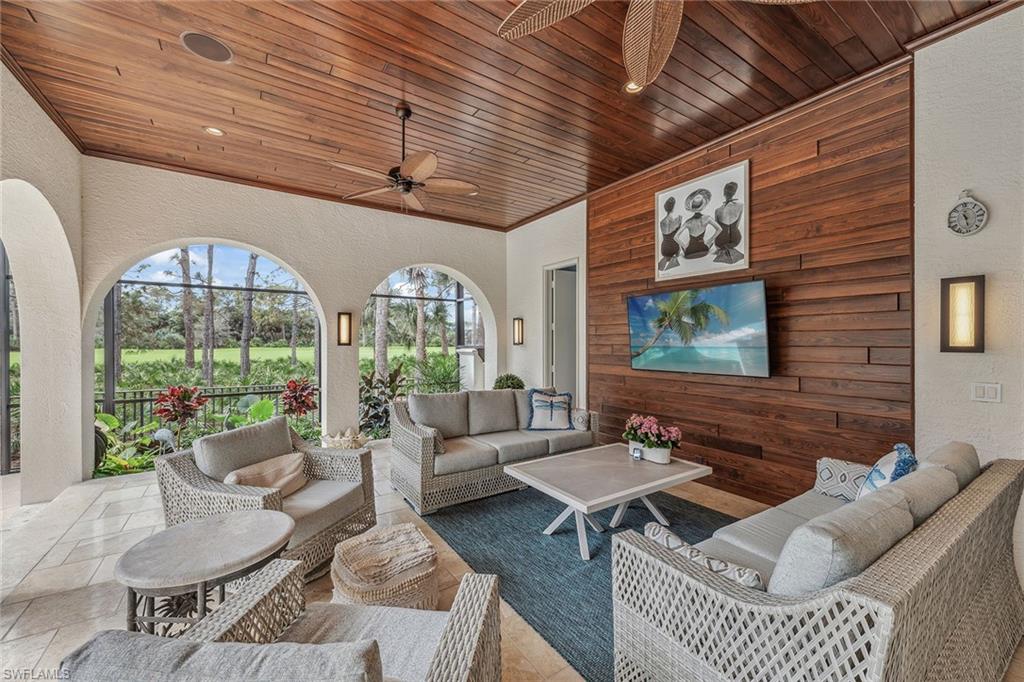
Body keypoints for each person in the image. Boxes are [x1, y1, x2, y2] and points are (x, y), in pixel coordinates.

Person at [678, 188, 720, 259]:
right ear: (702, 205)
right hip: (703, 250)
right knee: (709, 244)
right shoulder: (707, 218)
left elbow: (675, 237)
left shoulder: (688, 222)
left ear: (692, 207)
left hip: (689, 253)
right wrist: (710, 240)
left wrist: (684, 246)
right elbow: (719, 229)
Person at [713, 181, 745, 264]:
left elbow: (718, 230)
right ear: (734, 192)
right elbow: (737, 224)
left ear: (724, 192)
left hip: (720, 242)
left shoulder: (717, 210)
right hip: (736, 239)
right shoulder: (741, 206)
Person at [658, 196, 683, 271]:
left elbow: (667, 234)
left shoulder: (661, 222)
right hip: (674, 248)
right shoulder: (677, 220)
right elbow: (677, 236)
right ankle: (673, 260)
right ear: (673, 208)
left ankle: (667, 262)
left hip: (664, 249)